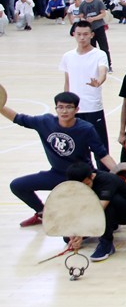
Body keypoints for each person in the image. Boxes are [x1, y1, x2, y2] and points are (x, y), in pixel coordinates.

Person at [2, 91, 117, 227]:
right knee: (17, 185)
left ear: (77, 109)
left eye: (69, 107)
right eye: (60, 107)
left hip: (82, 178)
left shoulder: (86, 129)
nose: (64, 111)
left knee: (108, 204)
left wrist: (119, 172)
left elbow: (102, 154)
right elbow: (18, 118)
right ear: (56, 108)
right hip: (57, 174)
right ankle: (43, 213)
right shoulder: (45, 122)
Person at [60, 20, 111, 169]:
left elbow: (103, 72)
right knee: (77, 147)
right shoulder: (68, 56)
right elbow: (67, 81)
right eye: (79, 34)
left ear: (92, 35)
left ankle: (104, 177)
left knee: (100, 146)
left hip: (93, 107)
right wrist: (65, 104)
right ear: (74, 35)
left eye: (85, 34)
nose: (82, 37)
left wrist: (99, 81)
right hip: (74, 109)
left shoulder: (99, 54)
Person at [64, 162, 126, 262]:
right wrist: (75, 232)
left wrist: (82, 233)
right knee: (69, 236)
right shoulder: (76, 185)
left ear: (91, 176)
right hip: (103, 212)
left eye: (87, 184)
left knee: (109, 202)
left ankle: (106, 243)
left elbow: (98, 211)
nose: (85, 188)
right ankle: (111, 225)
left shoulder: (106, 180)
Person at [78, 0, 112, 70]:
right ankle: (93, 65)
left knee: (104, 47)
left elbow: (103, 14)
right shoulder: (82, 5)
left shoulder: (98, 2)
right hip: (89, 30)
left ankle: (108, 65)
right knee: (91, 48)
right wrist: (85, 20)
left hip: (99, 27)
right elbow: (81, 16)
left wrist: (93, 18)